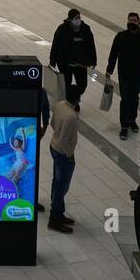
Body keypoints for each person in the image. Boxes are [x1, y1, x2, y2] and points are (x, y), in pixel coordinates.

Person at [105, 12, 140, 140]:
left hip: (138, 75)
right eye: (130, 20)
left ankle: (132, 119)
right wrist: (109, 69)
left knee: (135, 98)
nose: (132, 22)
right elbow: (113, 54)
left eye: (134, 20)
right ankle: (124, 125)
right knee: (125, 99)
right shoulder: (120, 37)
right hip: (124, 74)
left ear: (139, 22)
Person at [49, 9, 97, 103]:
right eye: (75, 18)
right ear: (70, 19)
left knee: (82, 85)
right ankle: (71, 102)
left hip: (80, 63)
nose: (78, 20)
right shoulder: (62, 29)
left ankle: (74, 98)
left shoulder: (85, 29)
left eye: (79, 17)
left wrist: (93, 60)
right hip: (66, 63)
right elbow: (56, 45)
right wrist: (52, 60)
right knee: (66, 84)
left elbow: (91, 45)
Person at [48, 97, 80, 234]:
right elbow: (64, 141)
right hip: (63, 153)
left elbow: (52, 123)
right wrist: (70, 155)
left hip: (53, 147)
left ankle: (58, 212)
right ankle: (54, 218)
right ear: (78, 98)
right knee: (62, 186)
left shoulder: (60, 104)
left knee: (57, 181)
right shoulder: (71, 116)